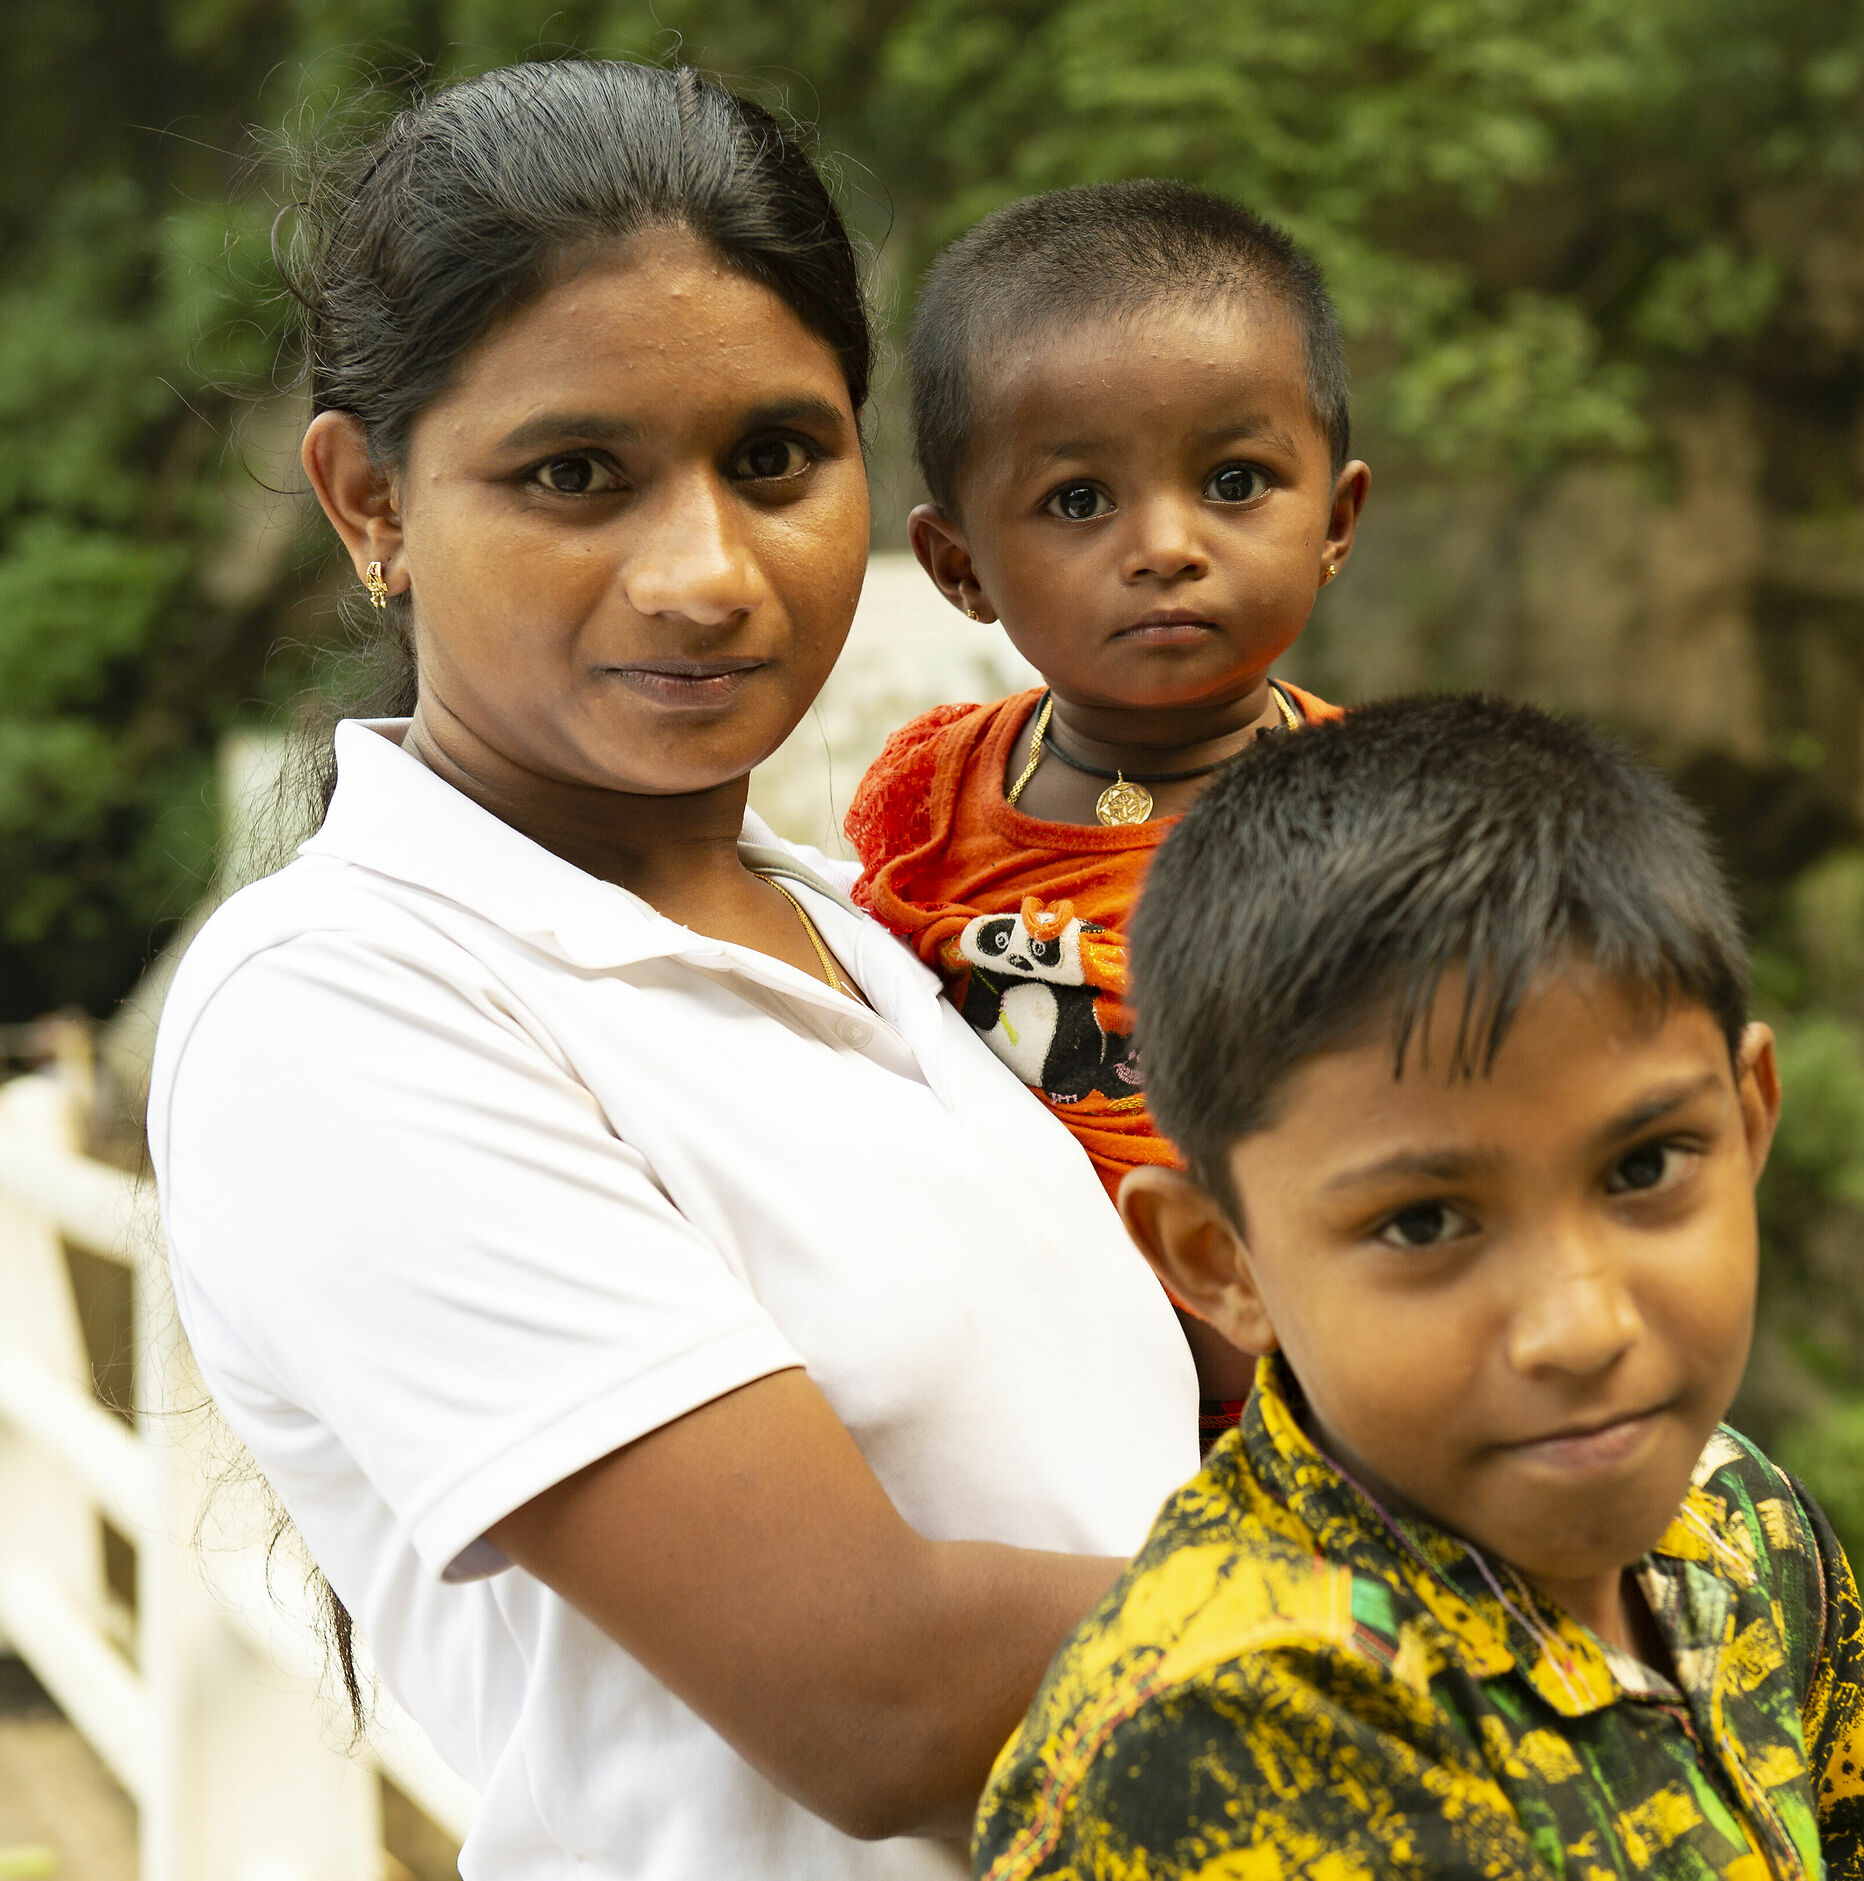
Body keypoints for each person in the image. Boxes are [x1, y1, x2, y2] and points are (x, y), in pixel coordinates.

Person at [146, 61, 1198, 1879]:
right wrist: (1511, 1606)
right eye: (576, 475)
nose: (708, 574)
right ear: (370, 502)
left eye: (775, 458)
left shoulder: (883, 932)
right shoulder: (340, 1002)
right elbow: (872, 1698)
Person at [972, 697, 1864, 1881]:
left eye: (1643, 1168)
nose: (1581, 1326)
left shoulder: (1730, 1517)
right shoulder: (1214, 1749)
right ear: (1218, 1261)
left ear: (1748, 1120)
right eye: (1424, 1223)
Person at [845, 181, 1368, 1450]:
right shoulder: (928, 792)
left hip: (1306, 1428)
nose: (1169, 545)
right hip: (1002, 1413)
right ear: (960, 566)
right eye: (1080, 501)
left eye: (1237, 481)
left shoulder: (1375, 823)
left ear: (1336, 523)